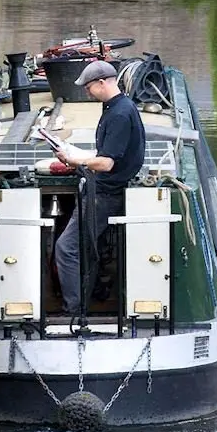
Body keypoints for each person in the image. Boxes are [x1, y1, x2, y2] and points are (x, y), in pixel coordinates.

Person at [51, 60, 146, 315]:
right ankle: (84, 301)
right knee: (89, 248)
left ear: (103, 83)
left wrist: (73, 159)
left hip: (105, 195)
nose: (86, 92)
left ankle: (73, 310)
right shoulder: (118, 107)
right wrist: (77, 155)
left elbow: (105, 163)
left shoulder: (118, 114)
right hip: (104, 191)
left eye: (89, 87)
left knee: (66, 247)